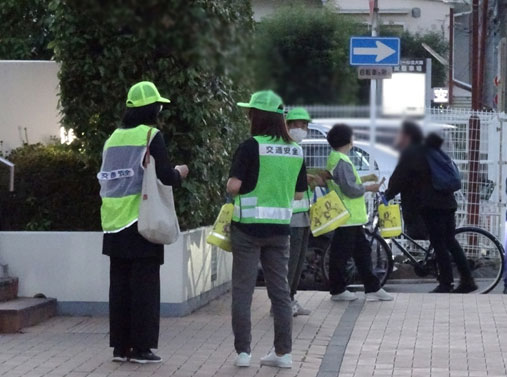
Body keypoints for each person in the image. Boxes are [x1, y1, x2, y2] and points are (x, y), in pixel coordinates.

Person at [98, 81, 189, 364]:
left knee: (120, 287)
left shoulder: (112, 138)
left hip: (113, 222)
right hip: (141, 220)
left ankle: (120, 347)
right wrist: (180, 172)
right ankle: (142, 348)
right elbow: (164, 176)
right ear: (153, 108)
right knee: (144, 288)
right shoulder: (151, 135)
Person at [227, 90, 307, 369]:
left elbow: (234, 186)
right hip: (280, 231)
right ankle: (283, 353)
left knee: (243, 291)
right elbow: (298, 195)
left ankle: (243, 353)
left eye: (250, 112)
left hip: (247, 230)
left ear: (256, 116)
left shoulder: (250, 146)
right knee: (280, 292)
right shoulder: (296, 150)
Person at [385, 121, 477, 293]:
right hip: (447, 202)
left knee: (439, 243)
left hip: (431, 205)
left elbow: (399, 178)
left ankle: (446, 283)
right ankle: (467, 280)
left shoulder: (412, 152)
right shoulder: (432, 150)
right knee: (450, 241)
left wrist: (387, 195)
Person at [325, 124, 393, 302]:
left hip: (350, 218)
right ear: (347, 140)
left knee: (361, 252)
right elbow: (349, 188)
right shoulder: (341, 160)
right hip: (347, 217)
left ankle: (372, 287)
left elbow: (346, 183)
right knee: (342, 255)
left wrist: (365, 181)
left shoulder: (337, 158)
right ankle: (339, 289)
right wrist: (369, 187)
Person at [285, 107, 312, 317]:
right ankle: (283, 302)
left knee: (298, 262)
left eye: (304, 125)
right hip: (290, 215)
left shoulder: (297, 149)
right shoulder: (286, 149)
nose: (300, 129)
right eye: (296, 124)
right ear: (286, 125)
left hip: (302, 214)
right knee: (290, 262)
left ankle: (290, 299)